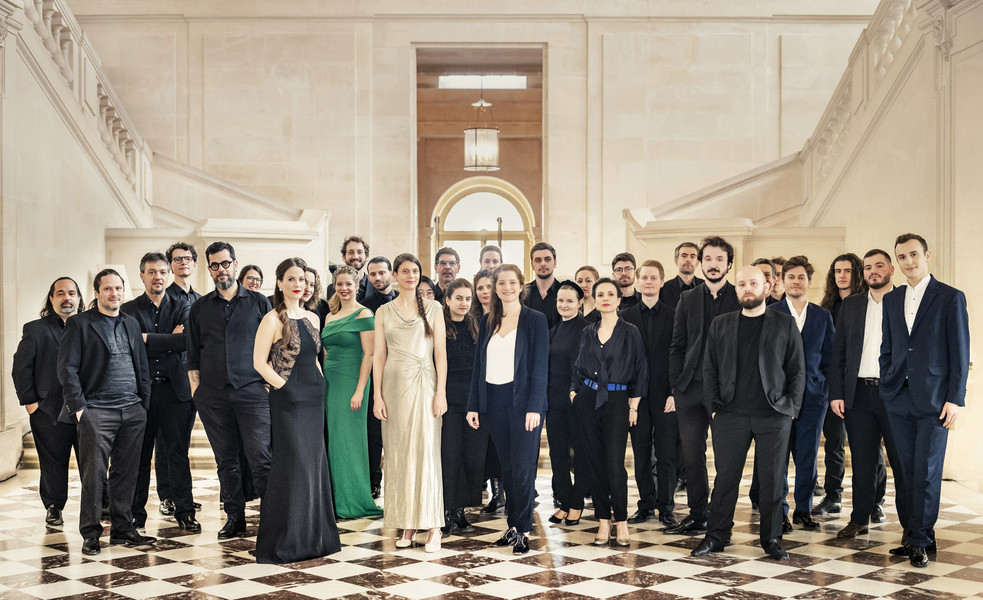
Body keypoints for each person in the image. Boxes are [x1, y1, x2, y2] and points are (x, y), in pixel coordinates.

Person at [692, 266, 805, 561]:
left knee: (772, 481)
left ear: (766, 287)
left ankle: (772, 538)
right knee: (725, 480)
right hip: (730, 414)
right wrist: (714, 408)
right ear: (736, 289)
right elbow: (709, 368)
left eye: (753, 283)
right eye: (741, 284)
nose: (747, 289)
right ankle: (716, 536)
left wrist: (789, 409)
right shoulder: (721, 324)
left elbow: (797, 369)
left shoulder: (784, 323)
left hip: (773, 414)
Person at [880, 233, 969, 567]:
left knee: (927, 472)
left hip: (934, 401)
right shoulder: (892, 299)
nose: (908, 262)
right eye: (902, 257)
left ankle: (919, 538)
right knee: (904, 472)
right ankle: (913, 534)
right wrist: (887, 379)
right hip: (897, 397)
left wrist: (955, 399)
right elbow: (887, 346)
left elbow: (960, 352)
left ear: (927, 256)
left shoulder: (950, 297)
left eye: (914, 254)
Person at [57, 269, 156, 556]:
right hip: (97, 411)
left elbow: (142, 365)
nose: (114, 293)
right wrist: (80, 409)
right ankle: (91, 533)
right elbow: (67, 369)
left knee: (127, 472)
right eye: (108, 289)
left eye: (118, 288)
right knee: (94, 475)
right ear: (97, 292)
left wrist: (143, 405)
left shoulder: (131, 323)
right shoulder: (79, 324)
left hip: (133, 410)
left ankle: (123, 528)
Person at [252, 258, 341, 563]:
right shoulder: (271, 320)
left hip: (314, 399)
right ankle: (287, 540)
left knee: (314, 465)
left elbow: (314, 357)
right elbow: (259, 363)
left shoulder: (314, 318)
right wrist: (284, 387)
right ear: (279, 283)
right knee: (294, 466)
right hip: (288, 401)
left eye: (302, 279)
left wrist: (321, 383)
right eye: (291, 279)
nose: (298, 284)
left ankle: (316, 538)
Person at [186, 241, 273, 539]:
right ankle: (235, 518)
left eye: (225, 263)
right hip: (213, 395)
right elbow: (192, 354)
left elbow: (274, 346)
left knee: (260, 456)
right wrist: (197, 392)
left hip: (252, 392)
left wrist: (266, 386)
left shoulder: (259, 303)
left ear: (235, 264)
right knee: (226, 460)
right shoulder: (199, 307)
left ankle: (271, 518)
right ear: (209, 269)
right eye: (215, 265)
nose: (221, 269)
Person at [467, 264, 550, 555]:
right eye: (501, 283)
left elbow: (540, 366)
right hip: (493, 402)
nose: (506, 287)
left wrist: (535, 407)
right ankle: (513, 526)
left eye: (512, 282)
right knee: (508, 468)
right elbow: (479, 366)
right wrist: (474, 405)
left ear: (521, 285)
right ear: (495, 288)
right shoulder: (487, 320)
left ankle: (524, 530)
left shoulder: (535, 319)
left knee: (524, 468)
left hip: (524, 403)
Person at [829, 249, 906, 539]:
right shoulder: (852, 304)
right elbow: (839, 352)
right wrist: (837, 392)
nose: (873, 271)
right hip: (859, 394)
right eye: (868, 267)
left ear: (891, 270)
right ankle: (859, 518)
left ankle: (911, 527)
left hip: (895, 393)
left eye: (879, 266)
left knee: (901, 462)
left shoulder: (904, 300)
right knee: (862, 461)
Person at [121, 253, 201, 533]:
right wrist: (169, 339)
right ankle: (135, 515)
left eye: (162, 272)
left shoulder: (184, 306)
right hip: (141, 394)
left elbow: (186, 341)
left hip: (175, 392)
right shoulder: (128, 310)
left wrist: (146, 338)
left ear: (168, 275)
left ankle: (185, 513)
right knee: (139, 457)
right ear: (141, 276)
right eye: (151, 272)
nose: (158, 277)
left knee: (177, 455)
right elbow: (129, 344)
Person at [373, 253, 448, 553]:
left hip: (425, 384)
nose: (410, 276)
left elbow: (440, 353)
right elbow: (379, 355)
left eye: (415, 271)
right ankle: (407, 523)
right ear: (395, 275)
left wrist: (441, 392)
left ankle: (434, 526)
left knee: (427, 452)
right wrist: (377, 395)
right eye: (404, 271)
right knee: (398, 454)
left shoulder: (434, 308)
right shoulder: (383, 312)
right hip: (393, 387)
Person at [666, 236, 740, 535]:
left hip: (726, 392)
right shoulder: (688, 299)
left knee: (725, 458)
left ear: (729, 264)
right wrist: (676, 384)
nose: (713, 264)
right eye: (707, 258)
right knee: (692, 456)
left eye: (719, 259)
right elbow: (677, 345)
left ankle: (720, 517)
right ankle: (698, 515)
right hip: (691, 389)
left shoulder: (739, 297)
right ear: (700, 262)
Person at [571, 278, 647, 546]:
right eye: (600, 294)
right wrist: (574, 393)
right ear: (594, 298)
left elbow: (640, 369)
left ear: (618, 299)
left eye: (610, 294)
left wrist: (634, 405)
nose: (605, 298)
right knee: (595, 463)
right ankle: (603, 520)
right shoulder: (587, 332)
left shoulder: (630, 331)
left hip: (617, 400)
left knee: (614, 464)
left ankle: (621, 521)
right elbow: (578, 366)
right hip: (588, 399)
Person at [761, 255, 834, 531]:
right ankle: (779, 512)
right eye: (790, 277)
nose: (796, 281)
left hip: (814, 398)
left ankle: (803, 509)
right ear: (782, 281)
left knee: (807, 457)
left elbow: (830, 358)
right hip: (778, 399)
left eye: (801, 277)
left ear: (809, 282)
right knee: (778, 458)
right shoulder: (771, 313)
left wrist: (825, 389)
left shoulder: (822, 316)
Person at [13, 277, 83, 526]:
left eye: (71, 293)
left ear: (79, 298)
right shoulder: (35, 329)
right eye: (60, 293)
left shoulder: (91, 325)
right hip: (48, 410)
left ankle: (102, 504)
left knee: (93, 463)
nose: (67, 298)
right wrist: (31, 404)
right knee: (52, 463)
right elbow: (21, 368)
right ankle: (54, 507)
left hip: (86, 409)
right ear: (51, 299)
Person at [321, 265, 383, 519]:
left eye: (349, 284)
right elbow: (326, 352)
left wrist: (359, 390)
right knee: (334, 440)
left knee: (350, 441)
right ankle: (336, 498)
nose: (344, 288)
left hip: (353, 382)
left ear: (357, 286)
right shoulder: (329, 316)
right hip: (330, 382)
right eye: (340, 284)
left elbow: (370, 354)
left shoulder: (364, 313)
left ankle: (354, 500)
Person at [622, 260, 679, 527]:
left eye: (653, 277)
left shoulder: (675, 314)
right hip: (636, 396)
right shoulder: (626, 316)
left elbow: (679, 355)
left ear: (661, 282)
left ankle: (666, 507)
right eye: (644, 277)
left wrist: (675, 391)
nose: (648, 281)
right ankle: (645, 504)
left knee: (666, 454)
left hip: (665, 394)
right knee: (641, 453)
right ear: (637, 280)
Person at [816, 252, 871, 517]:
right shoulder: (826, 308)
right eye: (837, 271)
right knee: (834, 444)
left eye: (847, 270)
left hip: (862, 386)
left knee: (871, 448)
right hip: (833, 387)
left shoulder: (868, 304)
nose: (842, 275)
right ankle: (833, 497)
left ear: (857, 274)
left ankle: (876, 502)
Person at [162, 242, 207, 516]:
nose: (183, 262)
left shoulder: (201, 300)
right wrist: (173, 338)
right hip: (172, 379)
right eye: (177, 259)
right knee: (169, 444)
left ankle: (181, 495)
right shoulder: (164, 298)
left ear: (195, 263)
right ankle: (168, 496)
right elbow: (168, 339)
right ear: (171, 265)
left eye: (187, 258)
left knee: (183, 443)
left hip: (196, 379)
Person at [440, 278, 485, 536]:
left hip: (473, 402)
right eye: (458, 298)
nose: (464, 303)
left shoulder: (477, 325)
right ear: (447, 300)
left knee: (472, 456)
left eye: (468, 298)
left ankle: (461, 510)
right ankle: (447, 510)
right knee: (450, 456)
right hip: (447, 400)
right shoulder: (438, 326)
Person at [546, 280, 589, 526]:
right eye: (560, 300)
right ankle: (564, 501)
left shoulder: (588, 330)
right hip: (554, 402)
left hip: (579, 401)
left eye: (570, 300)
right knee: (558, 454)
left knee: (581, 454)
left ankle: (577, 503)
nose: (564, 305)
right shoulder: (552, 331)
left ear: (580, 302)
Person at [362, 256, 397, 498]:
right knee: (374, 432)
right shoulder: (365, 307)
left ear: (391, 273)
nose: (377, 277)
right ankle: (375, 481)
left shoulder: (404, 301)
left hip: (402, 371)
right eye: (372, 274)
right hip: (376, 373)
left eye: (381, 272)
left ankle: (399, 481)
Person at [471, 269, 505, 513]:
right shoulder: (471, 317)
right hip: (478, 388)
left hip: (500, 387)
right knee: (484, 444)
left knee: (499, 444)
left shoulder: (505, 316)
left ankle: (504, 494)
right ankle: (494, 493)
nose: (484, 292)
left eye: (488, 287)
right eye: (480, 288)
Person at [524, 242, 561, 328]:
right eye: (538, 260)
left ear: (555, 263)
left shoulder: (566, 292)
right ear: (532, 265)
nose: (543, 264)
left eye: (547, 259)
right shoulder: (522, 293)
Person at [326, 236, 371, 302]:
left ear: (366, 257)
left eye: (360, 252)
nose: (355, 256)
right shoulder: (331, 289)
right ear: (344, 257)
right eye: (351, 252)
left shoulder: (375, 287)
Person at [659, 242, 703, 309]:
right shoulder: (663, 290)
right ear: (676, 261)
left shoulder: (707, 288)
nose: (688, 259)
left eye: (692, 256)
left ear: (697, 263)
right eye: (684, 256)